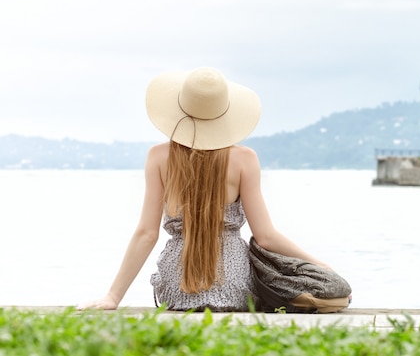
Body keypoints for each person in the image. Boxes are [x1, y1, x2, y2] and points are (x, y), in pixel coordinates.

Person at [79, 67, 329, 311]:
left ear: (180, 108)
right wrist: (321, 267)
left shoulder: (157, 157)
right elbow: (266, 237)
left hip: (177, 288)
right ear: (225, 113)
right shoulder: (244, 159)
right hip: (235, 285)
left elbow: (146, 234)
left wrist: (112, 296)